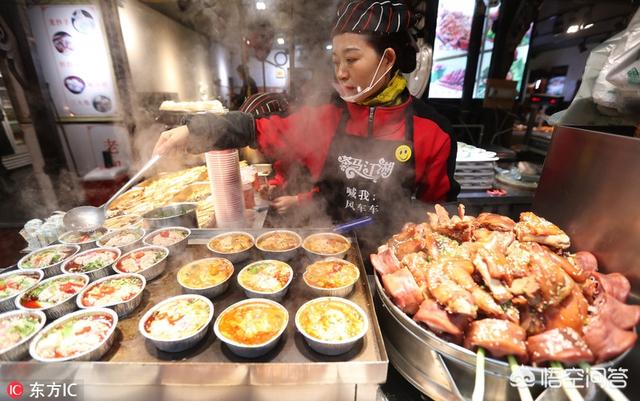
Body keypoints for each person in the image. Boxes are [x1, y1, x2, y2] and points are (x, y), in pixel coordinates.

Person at [154, 0, 459, 252]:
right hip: (325, 250)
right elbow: (259, 129)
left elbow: (437, 215)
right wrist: (196, 130)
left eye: (351, 59)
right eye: (336, 61)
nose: (340, 73)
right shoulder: (327, 115)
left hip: (392, 264)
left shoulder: (433, 131)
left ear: (388, 59)